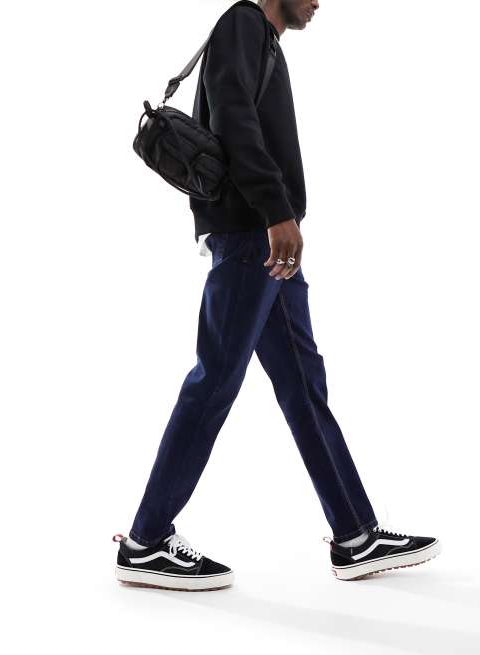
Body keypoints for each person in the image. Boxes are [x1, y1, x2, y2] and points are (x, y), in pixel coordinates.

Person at [114, 0, 440, 590]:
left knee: (302, 384)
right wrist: (276, 211)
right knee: (215, 379)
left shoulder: (261, 40)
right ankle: (146, 540)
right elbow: (235, 119)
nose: (320, 2)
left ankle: (355, 535)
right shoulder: (242, 23)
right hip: (252, 236)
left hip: (260, 238)